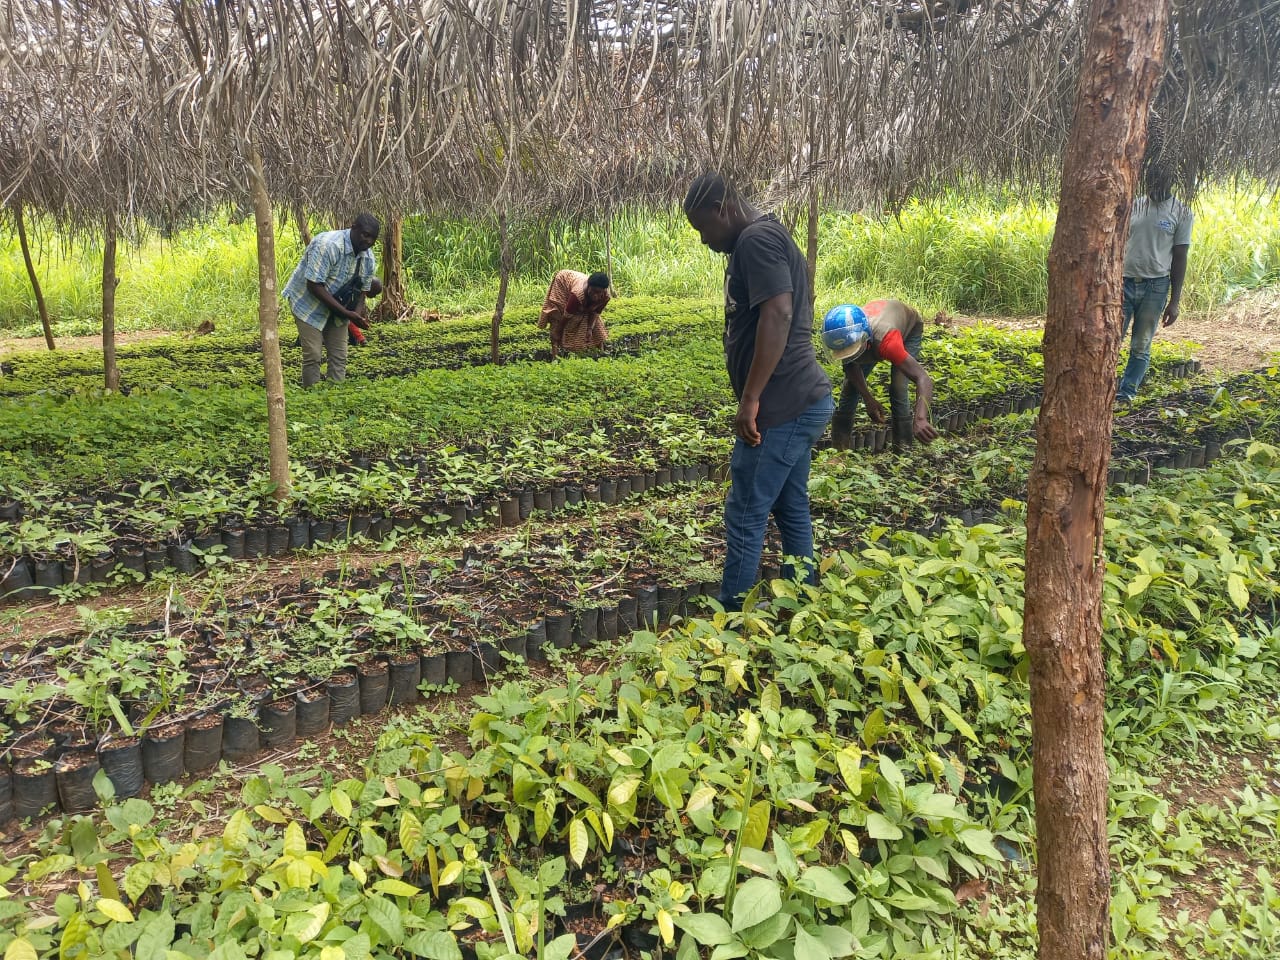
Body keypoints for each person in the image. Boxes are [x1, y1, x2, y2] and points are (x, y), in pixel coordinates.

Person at [683, 172, 833, 612]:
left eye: (703, 227)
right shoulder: (765, 236)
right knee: (789, 504)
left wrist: (751, 399)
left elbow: (779, 313)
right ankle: (801, 598)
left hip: (782, 405)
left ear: (721, 210)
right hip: (801, 399)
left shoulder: (755, 240)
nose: (704, 240)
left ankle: (732, 618)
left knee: (745, 511)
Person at [1117, 163, 1193, 404]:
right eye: (1151, 180)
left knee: (1141, 345)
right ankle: (1102, 390)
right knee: (1111, 340)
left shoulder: (1181, 212)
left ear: (1171, 182)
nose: (1155, 185)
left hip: (1155, 287)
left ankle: (1126, 394)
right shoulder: (1134, 206)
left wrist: (1175, 301)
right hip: (1123, 283)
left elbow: (1180, 257)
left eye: (1160, 180)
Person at [825, 300, 939, 449]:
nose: (849, 356)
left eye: (852, 351)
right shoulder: (844, 335)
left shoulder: (887, 342)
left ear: (865, 341)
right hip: (876, 330)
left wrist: (920, 418)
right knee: (850, 387)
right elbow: (851, 368)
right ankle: (839, 449)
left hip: (908, 327)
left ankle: (903, 447)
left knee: (898, 387)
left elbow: (923, 378)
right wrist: (868, 399)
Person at [283, 212, 381, 386]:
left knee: (339, 356)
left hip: (338, 308)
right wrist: (347, 313)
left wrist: (356, 314)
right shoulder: (328, 245)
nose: (368, 241)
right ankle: (311, 396)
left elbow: (362, 291)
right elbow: (314, 285)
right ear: (354, 228)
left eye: (373, 238)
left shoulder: (368, 259)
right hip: (308, 304)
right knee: (313, 355)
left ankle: (335, 396)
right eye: (365, 235)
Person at [538, 270, 611, 358]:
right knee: (558, 316)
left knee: (595, 321)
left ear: (604, 291)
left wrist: (589, 329)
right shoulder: (577, 295)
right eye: (593, 291)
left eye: (598, 292)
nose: (595, 295)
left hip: (575, 282)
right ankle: (555, 356)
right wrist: (558, 331)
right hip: (562, 282)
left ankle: (601, 353)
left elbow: (595, 313)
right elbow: (567, 315)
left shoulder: (605, 297)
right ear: (588, 286)